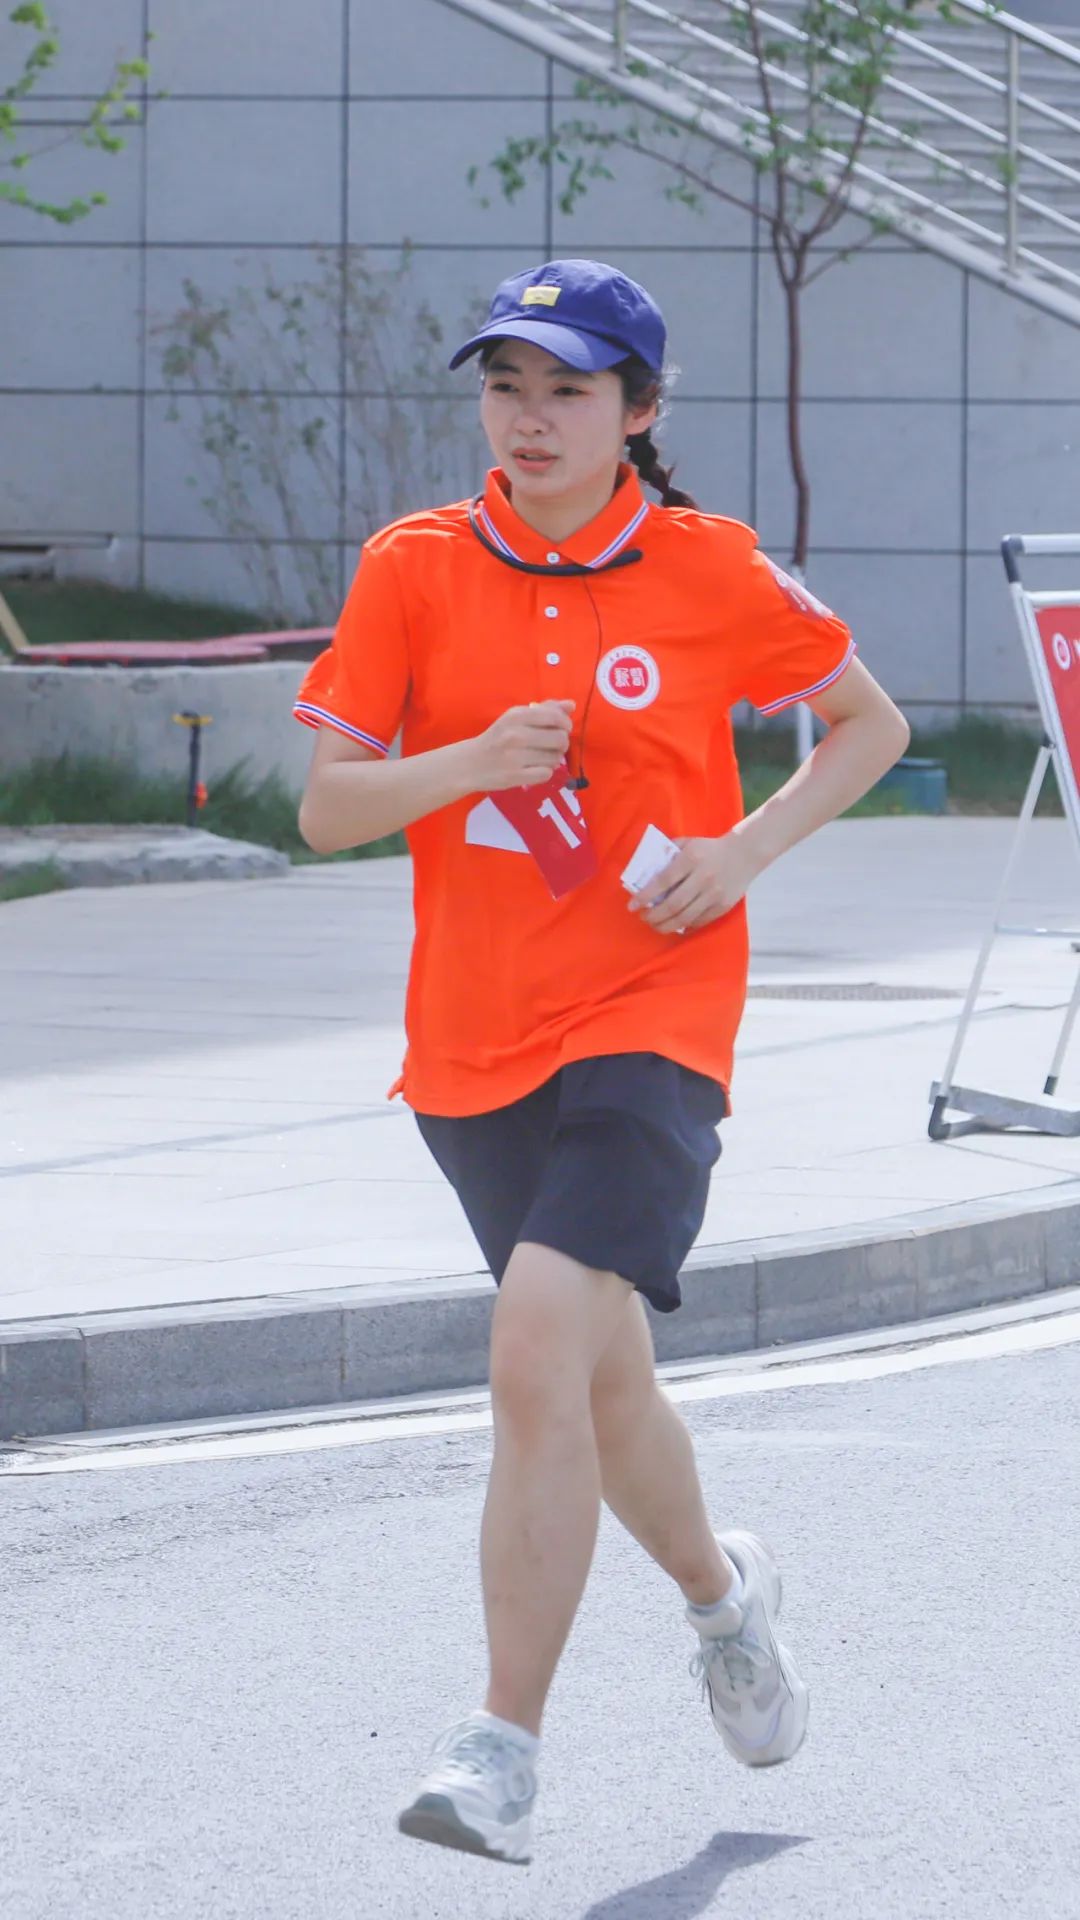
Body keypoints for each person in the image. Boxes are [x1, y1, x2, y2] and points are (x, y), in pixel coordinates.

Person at [294, 258, 910, 1868]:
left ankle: (499, 1749)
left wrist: (742, 850)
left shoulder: (710, 567)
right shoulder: (414, 566)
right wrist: (468, 762)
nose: (530, 417)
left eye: (567, 389)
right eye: (506, 386)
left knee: (530, 1350)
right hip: (472, 1039)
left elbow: (872, 726)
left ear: (638, 411)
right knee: (598, 1375)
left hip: (653, 1012)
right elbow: (327, 807)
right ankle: (724, 1597)